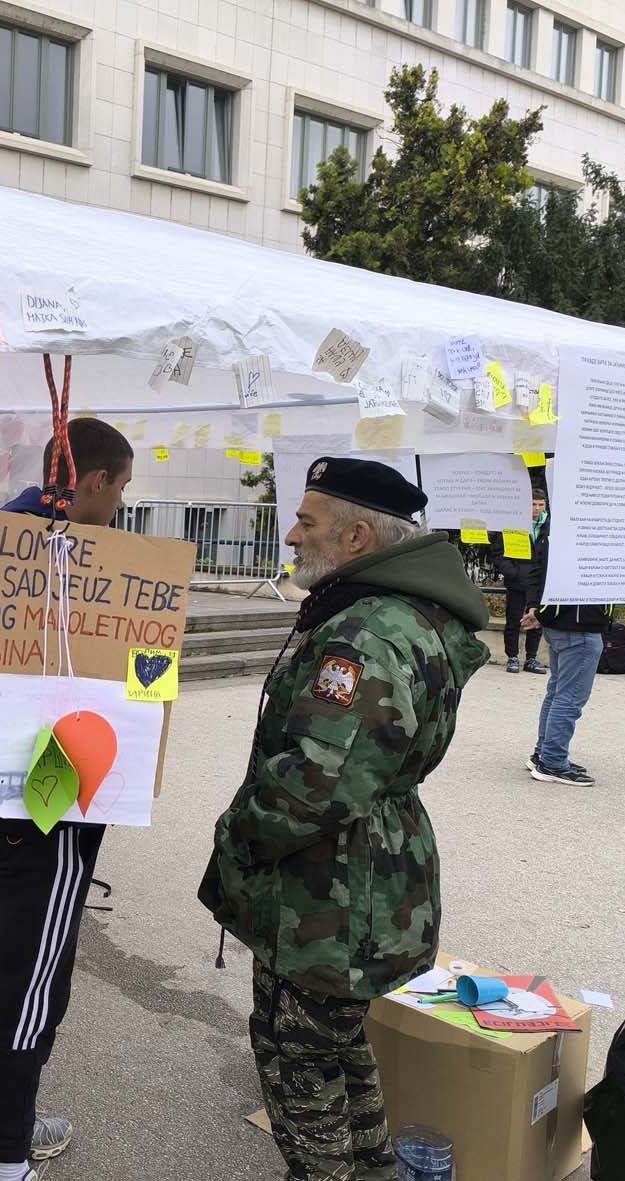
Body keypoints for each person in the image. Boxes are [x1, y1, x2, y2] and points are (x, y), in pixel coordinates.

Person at [198, 457, 490, 1181]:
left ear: (357, 535)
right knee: (332, 1040)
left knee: (296, 1056)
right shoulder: (392, 611)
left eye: (306, 521)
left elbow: (313, 786)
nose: (291, 536)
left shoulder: (367, 631)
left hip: (333, 894)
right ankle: (370, 1167)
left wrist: (234, 838)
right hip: (361, 884)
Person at [0, 418, 133, 1181]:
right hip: (53, 805)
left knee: (1, 961)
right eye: (122, 487)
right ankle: (7, 1158)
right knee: (31, 987)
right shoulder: (88, 560)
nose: (122, 505)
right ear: (94, 480)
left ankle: (8, 1123)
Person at [523, 508, 608, 787]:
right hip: (578, 629)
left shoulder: (556, 529)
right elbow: (560, 583)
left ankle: (544, 754)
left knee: (557, 692)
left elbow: (538, 573)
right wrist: (542, 613)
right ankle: (553, 762)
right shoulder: (580, 532)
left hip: (566, 627)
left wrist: (537, 611)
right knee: (568, 698)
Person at [488, 490, 548, 673]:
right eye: (533, 504)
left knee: (537, 620)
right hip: (517, 582)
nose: (536, 509)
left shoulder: (550, 526)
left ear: (545, 505)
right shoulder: (513, 524)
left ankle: (531, 658)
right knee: (513, 620)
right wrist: (513, 572)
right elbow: (498, 554)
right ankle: (512, 657)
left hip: (539, 584)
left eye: (540, 505)